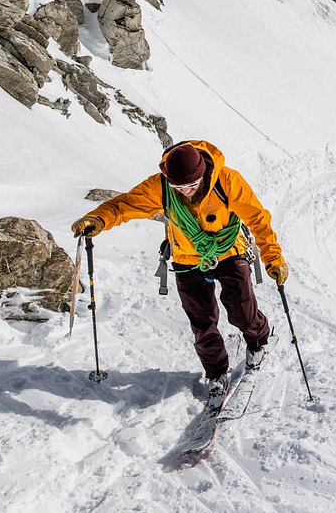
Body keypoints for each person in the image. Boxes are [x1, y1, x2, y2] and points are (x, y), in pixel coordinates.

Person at [71, 140, 289, 398]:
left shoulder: (227, 181)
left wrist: (273, 258)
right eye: (178, 186)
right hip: (187, 257)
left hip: (229, 251)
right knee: (202, 322)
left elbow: (257, 219)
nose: (185, 191)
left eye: (191, 185)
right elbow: (125, 205)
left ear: (202, 174)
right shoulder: (161, 186)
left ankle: (258, 342)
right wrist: (98, 219)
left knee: (242, 309)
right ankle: (217, 372)